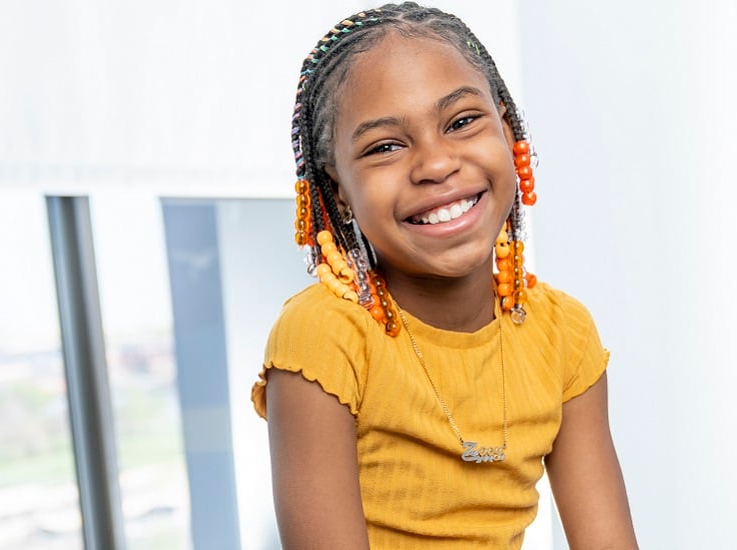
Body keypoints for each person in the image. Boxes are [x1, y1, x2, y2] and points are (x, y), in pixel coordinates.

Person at [250, 3, 638, 549]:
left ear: (507, 131)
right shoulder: (322, 338)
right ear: (338, 190)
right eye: (385, 146)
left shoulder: (563, 334)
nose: (435, 164)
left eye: (461, 122)